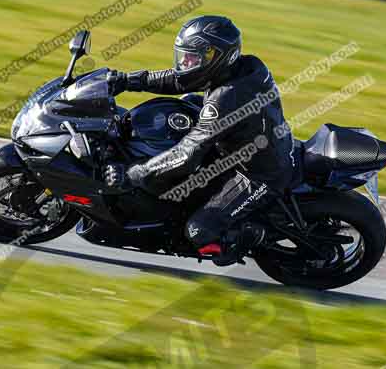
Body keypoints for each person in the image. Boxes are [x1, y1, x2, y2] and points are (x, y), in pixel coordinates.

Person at [104, 15, 300, 266]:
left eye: (193, 58)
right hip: (245, 143)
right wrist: (130, 81)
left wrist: (134, 173)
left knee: (199, 232)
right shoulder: (246, 66)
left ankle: (251, 237)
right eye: (184, 56)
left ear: (218, 57)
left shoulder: (225, 99)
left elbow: (186, 155)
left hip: (258, 173)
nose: (185, 63)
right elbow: (180, 78)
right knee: (184, 105)